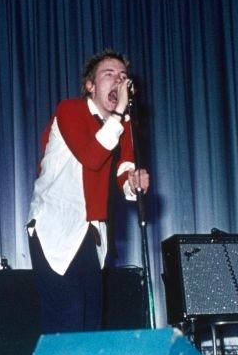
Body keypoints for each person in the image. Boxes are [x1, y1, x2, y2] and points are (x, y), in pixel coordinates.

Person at [27, 49, 150, 333]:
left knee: (91, 323)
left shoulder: (125, 123)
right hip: (54, 227)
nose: (119, 81)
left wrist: (134, 183)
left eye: (123, 76)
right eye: (109, 75)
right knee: (67, 317)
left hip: (90, 232)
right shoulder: (70, 110)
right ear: (90, 86)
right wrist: (119, 113)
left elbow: (124, 171)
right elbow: (92, 157)